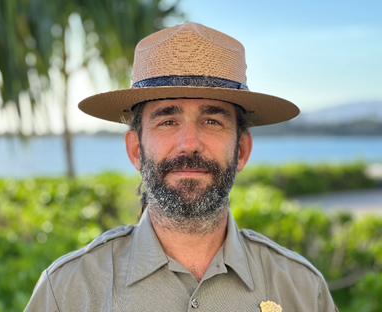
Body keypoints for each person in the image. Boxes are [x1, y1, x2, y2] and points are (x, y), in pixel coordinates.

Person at [25, 22, 337, 311]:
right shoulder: (67, 292)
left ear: (241, 150)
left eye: (212, 120)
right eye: (168, 121)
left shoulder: (304, 290)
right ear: (136, 149)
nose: (189, 143)